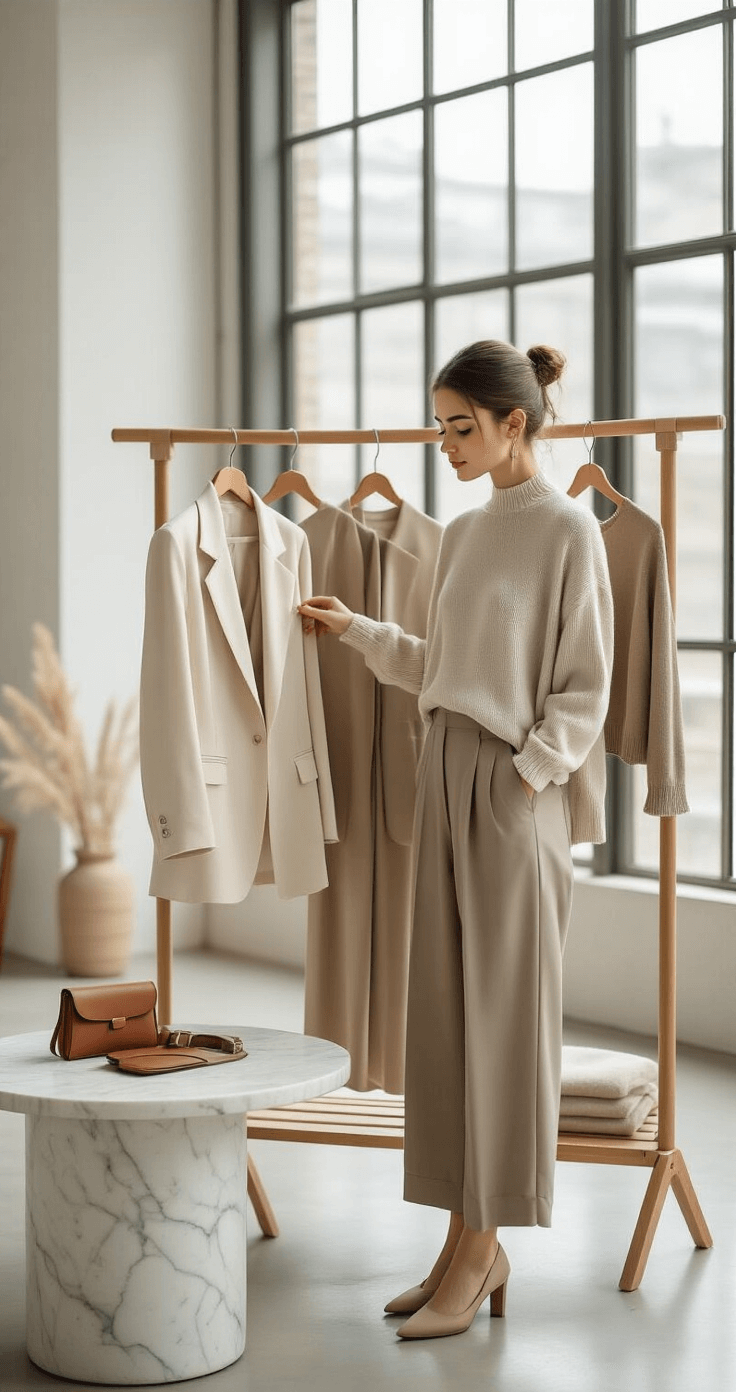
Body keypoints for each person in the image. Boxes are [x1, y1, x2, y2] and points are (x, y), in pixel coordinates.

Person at [298, 340, 614, 1341]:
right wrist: (356, 629)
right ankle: (458, 1236)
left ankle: (483, 1247)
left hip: (512, 792)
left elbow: (584, 690)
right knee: (442, 1017)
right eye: (438, 426)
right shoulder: (472, 535)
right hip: (444, 769)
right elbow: (447, 663)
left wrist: (523, 777)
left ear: (514, 422)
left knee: (506, 1024)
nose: (444, 445)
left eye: (459, 426)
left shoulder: (569, 530)